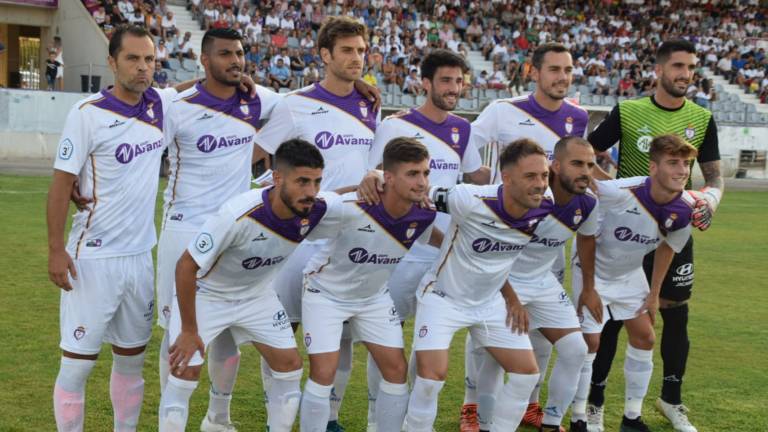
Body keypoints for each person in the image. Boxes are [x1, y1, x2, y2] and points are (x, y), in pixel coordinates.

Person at [158, 139, 342, 432]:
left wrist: (376, 177)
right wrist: (189, 330)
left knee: (290, 367)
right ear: (278, 177)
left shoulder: (313, 208)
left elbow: (345, 198)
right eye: (302, 181)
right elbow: (186, 266)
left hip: (257, 297)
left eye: (317, 182)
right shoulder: (238, 213)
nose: (311, 192)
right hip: (209, 295)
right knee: (184, 371)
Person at [586, 39, 723, 432]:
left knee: (675, 314)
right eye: (678, 66)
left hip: (675, 228)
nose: (685, 74)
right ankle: (595, 402)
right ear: (659, 70)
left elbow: (713, 176)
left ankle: (671, 400)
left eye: (691, 67)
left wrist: (710, 199)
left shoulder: (701, 116)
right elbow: (585, 151)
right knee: (611, 317)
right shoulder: (629, 111)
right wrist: (612, 190)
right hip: (628, 233)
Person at [47, 25, 179, 432]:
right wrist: (55, 250)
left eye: (150, 60)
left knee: (132, 361)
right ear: (111, 62)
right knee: (77, 365)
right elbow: (59, 186)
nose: (143, 68)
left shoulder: (158, 105)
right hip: (94, 259)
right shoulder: (87, 114)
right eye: (133, 59)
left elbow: (200, 86)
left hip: (140, 258)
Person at [253, 16, 380, 431]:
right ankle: (278, 415)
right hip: (296, 237)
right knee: (282, 328)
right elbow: (255, 157)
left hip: (345, 235)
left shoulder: (369, 103)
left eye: (361, 50)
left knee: (340, 334)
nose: (356, 58)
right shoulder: (296, 104)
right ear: (325, 55)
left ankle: (329, 417)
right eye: (346, 50)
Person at [156, 27, 283, 432]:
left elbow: (302, 107)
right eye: (225, 54)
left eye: (240, 53)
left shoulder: (257, 100)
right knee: (176, 331)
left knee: (227, 330)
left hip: (234, 231)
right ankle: (170, 413)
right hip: (183, 228)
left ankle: (219, 418)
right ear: (204, 60)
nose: (236, 60)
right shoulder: (176, 105)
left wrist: (365, 94)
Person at [358, 49, 489, 431]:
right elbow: (375, 181)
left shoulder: (462, 129)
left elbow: (473, 177)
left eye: (459, 81)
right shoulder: (395, 126)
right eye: (446, 81)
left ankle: (416, 419)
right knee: (389, 334)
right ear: (426, 83)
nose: (454, 88)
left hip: (446, 253)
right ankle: (375, 417)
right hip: (401, 251)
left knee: (429, 339)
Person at [466, 42, 589, 431]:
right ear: (533, 72)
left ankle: (534, 409)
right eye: (553, 69)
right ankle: (473, 408)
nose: (562, 78)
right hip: (502, 246)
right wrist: (475, 176)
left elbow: (577, 165)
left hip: (546, 250)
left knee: (540, 339)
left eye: (567, 70)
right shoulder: (504, 110)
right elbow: (467, 143)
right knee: (489, 344)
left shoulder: (577, 117)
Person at [405, 139, 552, 432]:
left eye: (545, 175)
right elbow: (416, 191)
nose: (540, 184)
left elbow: (499, 257)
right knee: (431, 380)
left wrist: (511, 298)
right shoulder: (468, 199)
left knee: (526, 376)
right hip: (442, 298)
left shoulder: (543, 205)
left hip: (488, 303)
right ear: (507, 178)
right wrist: (375, 177)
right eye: (531, 176)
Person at [299, 138, 442, 432]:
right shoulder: (351, 207)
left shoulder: (424, 213)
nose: (422, 182)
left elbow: (437, 239)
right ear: (388, 176)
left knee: (396, 370)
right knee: (323, 372)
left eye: (426, 173)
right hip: (325, 294)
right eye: (413, 174)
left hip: (373, 299)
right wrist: (355, 185)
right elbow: (308, 207)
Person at [572, 134, 699, 432]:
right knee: (590, 344)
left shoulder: (682, 210)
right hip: (593, 272)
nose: (682, 170)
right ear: (653, 168)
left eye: (686, 164)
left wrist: (654, 294)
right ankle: (582, 415)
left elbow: (668, 247)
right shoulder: (616, 192)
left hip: (629, 275)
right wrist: (589, 288)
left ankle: (631, 417)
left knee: (645, 337)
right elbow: (586, 236)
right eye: (673, 163)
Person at [470, 136, 598, 432]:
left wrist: (589, 288)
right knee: (496, 357)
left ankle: (551, 422)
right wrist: (511, 298)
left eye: (591, 165)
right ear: (555, 166)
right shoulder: (529, 195)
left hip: (543, 283)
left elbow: (587, 240)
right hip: (502, 282)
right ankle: (486, 424)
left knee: (576, 350)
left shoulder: (588, 203)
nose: (585, 172)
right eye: (577, 163)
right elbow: (491, 250)